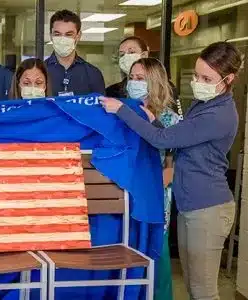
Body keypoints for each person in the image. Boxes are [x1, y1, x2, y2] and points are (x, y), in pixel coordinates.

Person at [101, 41, 241, 300]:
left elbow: (163, 141)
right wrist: (155, 123)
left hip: (207, 208)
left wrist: (121, 110)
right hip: (191, 206)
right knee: (191, 284)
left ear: (228, 79)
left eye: (206, 77)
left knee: (203, 291)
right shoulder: (204, 104)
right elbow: (178, 138)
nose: (197, 81)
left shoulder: (218, 115)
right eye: (197, 74)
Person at [126, 57, 181, 300]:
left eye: (140, 79)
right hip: (126, 195)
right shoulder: (122, 113)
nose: (134, 83)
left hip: (155, 198)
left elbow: (170, 167)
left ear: (154, 83)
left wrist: (151, 190)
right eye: (131, 78)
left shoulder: (170, 120)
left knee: (156, 261)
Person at [44, 10, 105, 96]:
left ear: (78, 36)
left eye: (68, 34)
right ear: (51, 36)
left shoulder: (92, 73)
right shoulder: (40, 71)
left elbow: (99, 107)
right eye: (57, 34)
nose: (62, 39)